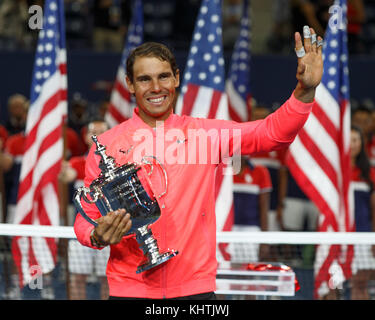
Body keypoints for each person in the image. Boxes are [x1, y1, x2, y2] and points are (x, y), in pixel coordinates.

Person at [74, 28, 324, 300]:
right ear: (130, 84)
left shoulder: (205, 135)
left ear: (177, 78)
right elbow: (86, 216)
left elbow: (272, 134)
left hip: (196, 293)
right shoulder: (106, 145)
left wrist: (304, 90)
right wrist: (96, 235)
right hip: (129, 290)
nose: (156, 87)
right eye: (144, 79)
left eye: (164, 76)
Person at [59, 120, 110, 300]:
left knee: (108, 279)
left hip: (109, 228)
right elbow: (66, 177)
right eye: (92, 132)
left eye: (101, 132)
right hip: (81, 230)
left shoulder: (113, 166)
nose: (96, 135)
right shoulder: (76, 163)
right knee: (77, 277)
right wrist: (61, 170)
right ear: (86, 137)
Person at [228, 156, 272, 263]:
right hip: (226, 231)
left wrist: (264, 241)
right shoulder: (221, 171)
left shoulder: (261, 171)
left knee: (247, 273)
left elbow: (264, 209)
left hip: (251, 232)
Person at [350, 125, 375, 300]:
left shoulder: (370, 173)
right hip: (337, 238)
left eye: (355, 140)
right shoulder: (334, 171)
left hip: (364, 238)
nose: (352, 144)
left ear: (361, 143)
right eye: (348, 140)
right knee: (332, 286)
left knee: (360, 285)